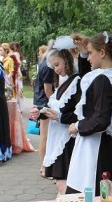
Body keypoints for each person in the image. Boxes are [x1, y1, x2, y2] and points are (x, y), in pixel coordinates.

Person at [66, 32, 112, 196]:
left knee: (91, 200)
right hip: (94, 145)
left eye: (90, 53)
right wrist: (85, 50)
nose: (88, 57)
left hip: (96, 149)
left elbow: (100, 120)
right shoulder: (106, 77)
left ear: (103, 53)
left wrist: (76, 126)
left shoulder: (104, 79)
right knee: (90, 198)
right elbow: (87, 81)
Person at [40, 45, 83, 194]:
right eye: (53, 67)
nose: (56, 69)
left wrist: (59, 117)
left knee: (63, 183)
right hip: (58, 138)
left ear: (66, 60)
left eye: (57, 64)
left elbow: (80, 114)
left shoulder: (77, 82)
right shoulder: (64, 83)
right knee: (61, 184)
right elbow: (54, 106)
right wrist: (40, 112)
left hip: (67, 139)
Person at [33, 43, 54, 178]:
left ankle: (45, 166)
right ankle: (44, 166)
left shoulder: (44, 64)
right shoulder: (47, 66)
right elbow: (48, 90)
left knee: (45, 136)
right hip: (44, 103)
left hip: (41, 102)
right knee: (45, 136)